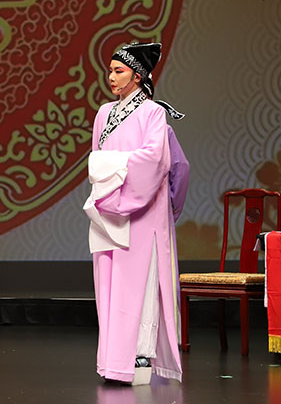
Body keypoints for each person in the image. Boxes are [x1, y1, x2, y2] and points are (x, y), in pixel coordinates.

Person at [85, 42, 187, 385]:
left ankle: (138, 361)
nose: (111, 77)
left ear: (138, 76)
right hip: (108, 207)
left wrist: (109, 167)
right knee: (109, 284)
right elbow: (96, 159)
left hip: (144, 211)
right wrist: (106, 183)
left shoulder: (152, 113)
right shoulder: (104, 113)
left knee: (138, 285)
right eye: (110, 71)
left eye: (119, 71)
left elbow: (155, 159)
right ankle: (112, 363)